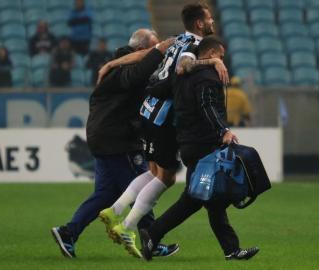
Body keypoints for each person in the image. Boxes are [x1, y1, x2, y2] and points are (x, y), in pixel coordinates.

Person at [98, 3, 229, 257]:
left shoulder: (176, 39)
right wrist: (212, 60)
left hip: (147, 109)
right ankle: (126, 225)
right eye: (209, 18)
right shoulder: (192, 47)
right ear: (200, 24)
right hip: (162, 116)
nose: (212, 21)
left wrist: (113, 64)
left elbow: (144, 55)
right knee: (166, 177)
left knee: (154, 170)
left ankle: (113, 210)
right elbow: (183, 67)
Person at [51, 29, 177, 258]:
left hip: (106, 137)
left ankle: (68, 232)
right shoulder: (124, 69)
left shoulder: (117, 65)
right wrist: (158, 53)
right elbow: (136, 77)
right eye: (155, 47)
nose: (159, 52)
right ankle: (152, 239)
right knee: (142, 183)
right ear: (141, 50)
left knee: (105, 194)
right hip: (117, 139)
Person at [140, 36, 259, 261]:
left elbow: (156, 89)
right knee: (196, 198)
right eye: (221, 57)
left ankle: (231, 250)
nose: (223, 61)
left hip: (187, 143)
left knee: (213, 199)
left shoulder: (180, 74)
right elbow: (207, 105)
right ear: (212, 54)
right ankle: (152, 233)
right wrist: (223, 130)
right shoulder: (207, 77)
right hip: (204, 144)